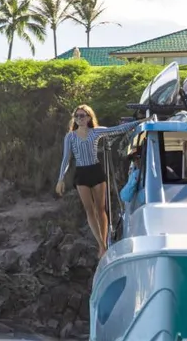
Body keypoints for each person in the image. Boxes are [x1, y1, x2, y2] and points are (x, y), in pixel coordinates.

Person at [56, 104, 141, 257]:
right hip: (81, 174)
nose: (79, 118)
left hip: (95, 171)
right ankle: (101, 245)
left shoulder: (96, 132)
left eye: (82, 115)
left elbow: (117, 129)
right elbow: (66, 159)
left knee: (101, 209)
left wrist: (139, 122)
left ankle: (105, 241)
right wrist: (60, 179)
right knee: (89, 209)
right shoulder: (70, 136)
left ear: (89, 117)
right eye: (77, 116)